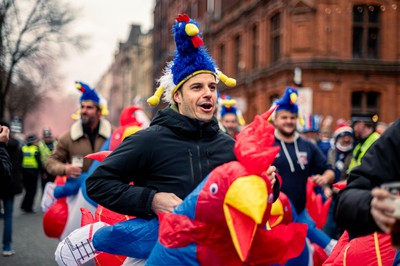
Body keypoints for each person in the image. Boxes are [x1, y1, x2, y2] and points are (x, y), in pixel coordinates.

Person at [86, 14, 279, 265]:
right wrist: (151, 200)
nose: (208, 93)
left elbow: (246, 199)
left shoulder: (229, 145)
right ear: (177, 96)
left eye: (212, 86)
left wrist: (270, 184)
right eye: (197, 87)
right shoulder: (149, 140)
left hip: (213, 255)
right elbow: (98, 183)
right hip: (155, 252)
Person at [271, 87, 336, 258]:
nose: (288, 121)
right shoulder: (267, 144)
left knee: (306, 254)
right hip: (273, 217)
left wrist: (324, 178)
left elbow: (329, 170)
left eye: (292, 117)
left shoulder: (308, 146)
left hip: (299, 211)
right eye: (284, 117)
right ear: (276, 119)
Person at [45, 81, 112, 239]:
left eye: (89, 107)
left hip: (104, 198)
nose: (84, 111)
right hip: (75, 198)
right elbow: (50, 162)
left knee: (101, 243)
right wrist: (65, 169)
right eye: (82, 107)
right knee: (75, 240)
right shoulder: (68, 137)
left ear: (99, 111)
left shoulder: (112, 135)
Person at [334, 117, 400, 264]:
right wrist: (369, 203)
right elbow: (360, 180)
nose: (352, 130)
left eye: (355, 125)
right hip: (371, 208)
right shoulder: (392, 138)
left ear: (363, 125)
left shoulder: (373, 140)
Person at [322, 124, 354, 239]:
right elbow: (325, 170)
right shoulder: (331, 152)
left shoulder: (355, 153)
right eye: (343, 136)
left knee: (345, 232)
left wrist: (344, 184)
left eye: (349, 136)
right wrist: (325, 187)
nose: (346, 139)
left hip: (348, 198)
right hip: (332, 198)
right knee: (328, 229)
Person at [0, 122, 23, 257]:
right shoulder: (16, 145)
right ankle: (7, 246)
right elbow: (19, 164)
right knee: (8, 216)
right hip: (10, 184)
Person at [20, 134, 43, 213]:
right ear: (33, 141)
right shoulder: (35, 149)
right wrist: (42, 172)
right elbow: (39, 162)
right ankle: (28, 207)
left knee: (27, 190)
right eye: (35, 140)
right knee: (32, 191)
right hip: (33, 173)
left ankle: (24, 206)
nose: (37, 142)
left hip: (24, 172)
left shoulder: (23, 148)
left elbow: (20, 160)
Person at [37, 128, 58, 192]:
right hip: (45, 171)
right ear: (43, 137)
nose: (48, 138)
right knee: (45, 190)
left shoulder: (56, 143)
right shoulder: (40, 145)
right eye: (46, 137)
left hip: (55, 170)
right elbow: (38, 160)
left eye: (49, 137)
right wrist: (42, 172)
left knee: (54, 189)